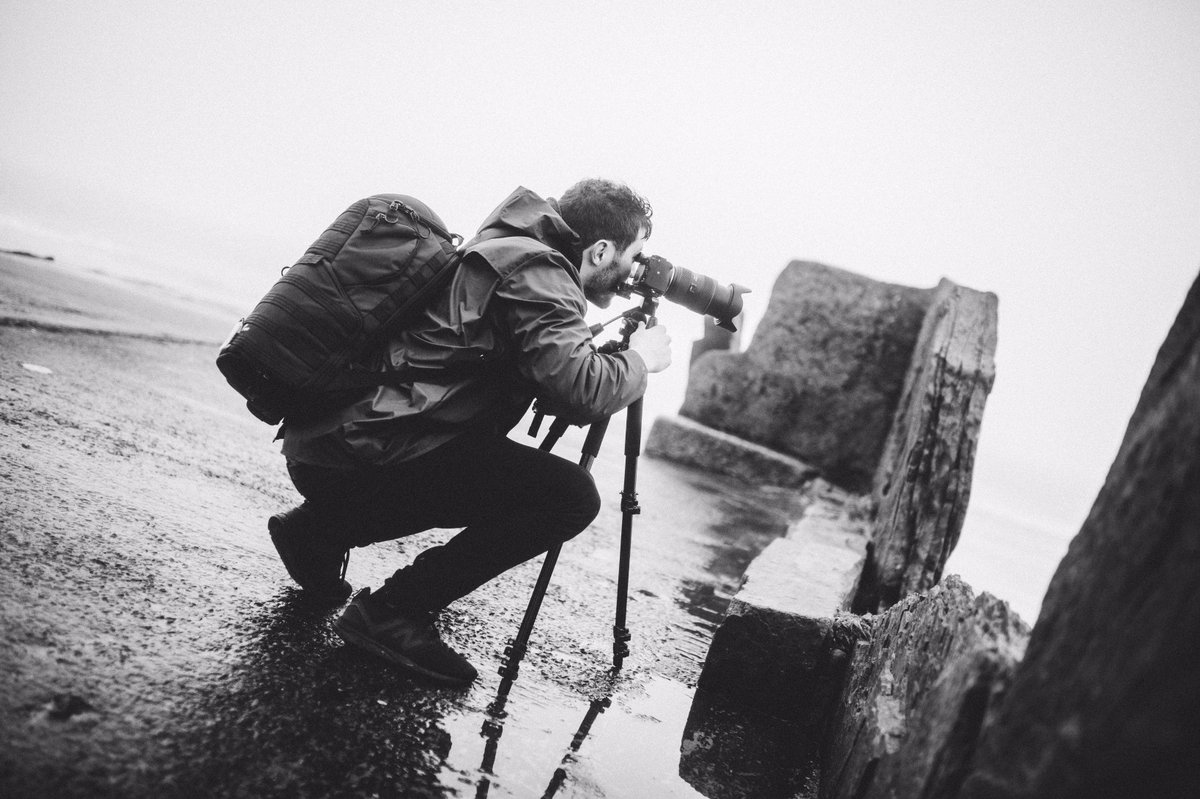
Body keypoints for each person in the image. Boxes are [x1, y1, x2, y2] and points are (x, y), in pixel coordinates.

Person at [267, 179, 672, 684]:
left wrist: (597, 362)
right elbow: (581, 390)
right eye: (636, 256)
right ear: (603, 249)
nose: (634, 274)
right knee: (568, 497)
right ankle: (395, 611)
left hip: (337, 443)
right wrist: (640, 361)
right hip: (366, 451)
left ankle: (318, 532)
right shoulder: (541, 272)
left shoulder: (508, 246)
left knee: (485, 465)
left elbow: (545, 384)